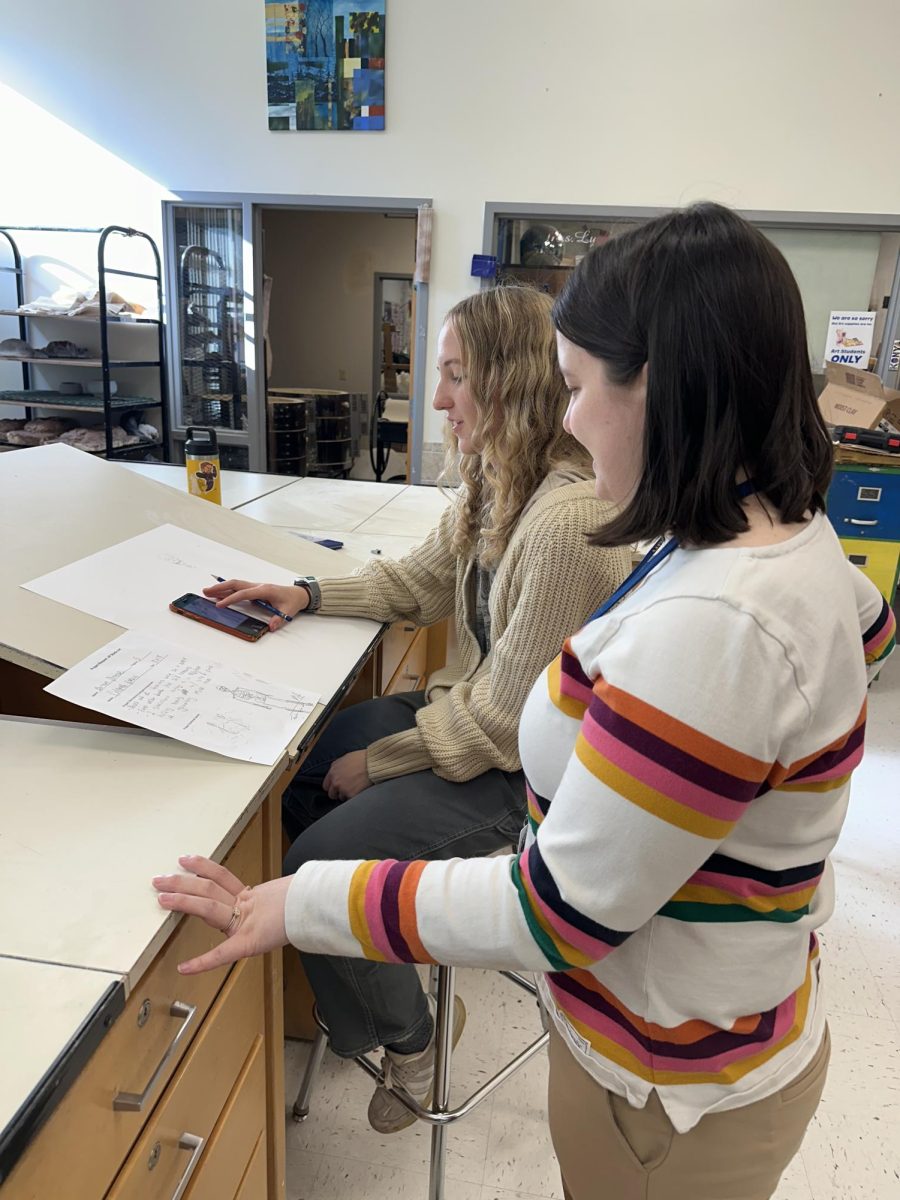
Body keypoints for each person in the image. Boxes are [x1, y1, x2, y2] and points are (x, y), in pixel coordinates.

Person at [154, 203, 895, 1199]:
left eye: (582, 387)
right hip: (683, 1039)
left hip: (664, 1096)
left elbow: (559, 916)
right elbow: (865, 626)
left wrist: (300, 904)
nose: (573, 417)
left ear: (665, 392)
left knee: (326, 833)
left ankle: (399, 1027)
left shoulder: (718, 622)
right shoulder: (763, 534)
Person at [202, 284, 631, 1133]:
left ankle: (412, 1034)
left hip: (520, 778)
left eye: (455, 378)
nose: (437, 400)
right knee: (306, 770)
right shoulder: (500, 478)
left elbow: (507, 726)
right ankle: (360, 987)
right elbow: (420, 581)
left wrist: (387, 761)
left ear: (511, 384)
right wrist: (305, 592)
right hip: (465, 721)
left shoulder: (566, 521)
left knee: (324, 850)